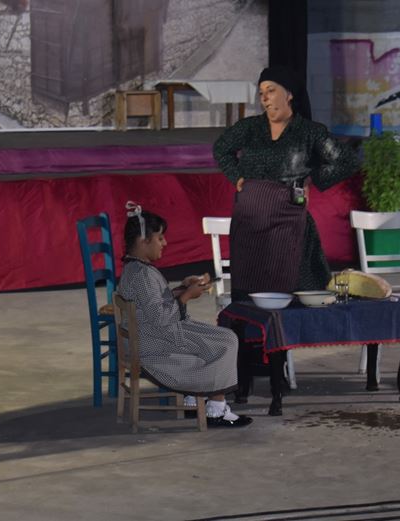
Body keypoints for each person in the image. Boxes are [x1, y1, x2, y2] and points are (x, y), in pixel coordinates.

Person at [212, 66, 359, 301]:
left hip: (289, 222)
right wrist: (236, 177)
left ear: (289, 94)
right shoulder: (249, 128)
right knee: (251, 293)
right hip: (250, 225)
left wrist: (312, 178)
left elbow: (348, 160)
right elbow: (221, 148)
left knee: (294, 291)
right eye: (261, 93)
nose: (265, 98)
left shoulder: (309, 132)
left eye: (271, 90)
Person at [116, 203, 251, 427]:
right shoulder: (143, 275)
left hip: (149, 335)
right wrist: (186, 296)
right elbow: (159, 318)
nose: (165, 243)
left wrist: (182, 288)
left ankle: (192, 400)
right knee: (226, 342)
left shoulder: (135, 269)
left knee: (222, 338)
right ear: (143, 241)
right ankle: (216, 409)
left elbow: (151, 305)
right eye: (160, 238)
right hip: (154, 343)